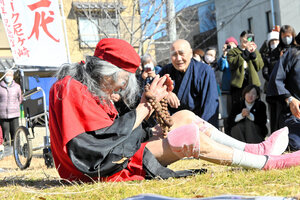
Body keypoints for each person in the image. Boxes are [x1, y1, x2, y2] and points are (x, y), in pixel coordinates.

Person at [49, 38, 300, 183]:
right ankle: (265, 163)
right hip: (102, 167)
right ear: (107, 73)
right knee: (188, 136)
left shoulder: (87, 84)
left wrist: (153, 107)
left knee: (185, 116)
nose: (119, 91)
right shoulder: (72, 89)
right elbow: (95, 146)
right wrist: (148, 106)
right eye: (122, 83)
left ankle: (256, 149)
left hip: (111, 154)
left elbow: (112, 131)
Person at [159, 39, 219, 127]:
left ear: (191, 53)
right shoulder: (166, 71)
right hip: (172, 126)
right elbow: (151, 92)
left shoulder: (204, 71)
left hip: (197, 125)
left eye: (181, 53)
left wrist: (203, 130)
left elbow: (210, 106)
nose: (178, 58)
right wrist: (165, 93)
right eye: (174, 54)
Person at [267, 43, 300, 151]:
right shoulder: (292, 54)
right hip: (293, 114)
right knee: (296, 145)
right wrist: (290, 99)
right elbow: (276, 80)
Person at [227, 30, 264, 106]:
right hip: (238, 85)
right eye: (245, 37)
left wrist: (253, 55)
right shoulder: (233, 51)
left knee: (255, 106)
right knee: (238, 106)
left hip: (252, 82)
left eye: (249, 38)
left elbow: (259, 66)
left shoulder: (255, 51)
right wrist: (246, 52)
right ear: (240, 38)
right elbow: (232, 63)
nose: (247, 40)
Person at [217, 37, 238, 133]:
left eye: (232, 45)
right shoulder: (224, 58)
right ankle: (228, 134)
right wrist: (224, 54)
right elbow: (221, 67)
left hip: (237, 88)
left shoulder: (239, 55)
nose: (230, 47)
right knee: (227, 115)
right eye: (228, 45)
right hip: (226, 90)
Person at [0, 69, 22, 146]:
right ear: (4, 76)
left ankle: (17, 151)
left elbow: (20, 99)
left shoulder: (17, 87)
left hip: (14, 114)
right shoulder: (0, 86)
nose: (8, 77)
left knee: (15, 133)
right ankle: (7, 152)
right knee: (5, 134)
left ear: (12, 76)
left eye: (10, 75)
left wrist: (14, 106)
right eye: (7, 75)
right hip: (3, 115)